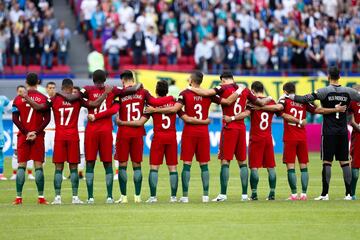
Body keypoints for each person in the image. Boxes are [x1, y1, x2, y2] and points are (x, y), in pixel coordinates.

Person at [188, 71, 271, 202]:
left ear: (223, 80)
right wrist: (269, 98)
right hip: (242, 128)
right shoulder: (246, 90)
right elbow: (261, 103)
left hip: (229, 128)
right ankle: (244, 195)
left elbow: (207, 93)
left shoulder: (223, 88)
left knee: (225, 161)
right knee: (242, 162)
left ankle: (222, 194)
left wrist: (190, 88)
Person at [91, 70, 171, 203]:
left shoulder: (119, 93)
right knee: (137, 165)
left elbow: (114, 109)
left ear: (122, 80)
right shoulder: (143, 92)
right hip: (138, 132)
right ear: (132, 79)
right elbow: (155, 103)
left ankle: (123, 197)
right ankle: (138, 197)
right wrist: (171, 101)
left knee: (122, 165)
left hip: (123, 132)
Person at [146, 72, 226, 203]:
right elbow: (225, 102)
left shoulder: (184, 93)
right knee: (204, 165)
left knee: (187, 165)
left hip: (189, 132)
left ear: (191, 81)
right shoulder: (209, 94)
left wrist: (155, 110)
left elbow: (175, 110)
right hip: (203, 133)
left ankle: (184, 196)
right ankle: (205, 196)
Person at [288, 67, 360, 200]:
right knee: (344, 162)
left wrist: (290, 96)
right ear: (339, 76)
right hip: (343, 132)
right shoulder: (350, 92)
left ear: (328, 77)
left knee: (327, 162)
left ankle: (324, 194)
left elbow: (305, 99)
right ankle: (349, 194)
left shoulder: (323, 91)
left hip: (329, 131)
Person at [79, 69, 142, 204]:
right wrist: (138, 85)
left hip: (91, 130)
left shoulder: (87, 89)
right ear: (106, 78)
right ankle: (109, 196)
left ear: (93, 79)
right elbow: (132, 90)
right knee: (108, 163)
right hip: (106, 131)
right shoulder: (113, 89)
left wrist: (89, 107)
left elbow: (79, 98)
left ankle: (90, 197)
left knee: (90, 163)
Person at [117, 81, 179, 203]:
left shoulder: (150, 106)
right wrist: (172, 98)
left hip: (158, 138)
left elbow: (140, 123)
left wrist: (122, 123)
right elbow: (178, 112)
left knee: (154, 168)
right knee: (173, 168)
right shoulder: (174, 102)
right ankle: (173, 197)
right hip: (172, 137)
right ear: (167, 91)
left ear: (156, 91)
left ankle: (153, 197)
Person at [230, 81, 277, 200]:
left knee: (254, 167)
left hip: (256, 138)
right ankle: (272, 193)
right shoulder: (271, 102)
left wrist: (232, 117)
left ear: (253, 91)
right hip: (268, 137)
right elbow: (279, 109)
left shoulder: (252, 102)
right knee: (271, 167)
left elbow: (244, 112)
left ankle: (254, 194)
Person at [12, 73, 51, 205]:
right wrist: (36, 132)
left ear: (26, 82)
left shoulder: (18, 98)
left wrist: (25, 132)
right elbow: (48, 119)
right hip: (38, 136)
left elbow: (14, 119)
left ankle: (18, 198)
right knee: (38, 166)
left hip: (23, 136)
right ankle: (41, 197)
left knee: (22, 165)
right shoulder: (44, 98)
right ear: (38, 82)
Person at [48, 79, 85, 205]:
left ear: (62, 87)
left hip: (59, 137)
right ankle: (75, 197)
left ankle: (57, 198)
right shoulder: (77, 100)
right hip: (73, 136)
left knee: (58, 168)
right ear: (72, 87)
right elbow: (92, 104)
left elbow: (42, 107)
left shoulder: (54, 99)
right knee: (74, 168)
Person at [10, 86, 35, 181]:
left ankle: (30, 173)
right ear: (17, 92)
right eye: (19, 91)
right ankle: (14, 173)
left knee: (30, 152)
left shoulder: (29, 101)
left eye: (23, 91)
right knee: (16, 152)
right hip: (17, 130)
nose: (21, 93)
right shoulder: (14, 101)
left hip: (28, 130)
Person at [349, 85, 360, 200]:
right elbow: (351, 121)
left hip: (357, 137)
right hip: (357, 138)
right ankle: (352, 193)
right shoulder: (352, 103)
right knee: (355, 170)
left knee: (355, 170)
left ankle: (351, 194)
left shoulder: (352, 102)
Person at [44, 82, 56, 163]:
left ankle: (60, 174)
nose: (52, 90)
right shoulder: (43, 100)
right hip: (45, 130)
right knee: (42, 153)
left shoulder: (58, 100)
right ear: (46, 89)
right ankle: (40, 174)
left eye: (53, 88)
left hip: (56, 130)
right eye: (50, 88)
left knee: (58, 153)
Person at [0, 93, 9, 180]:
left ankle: (0, 174)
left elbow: (9, 105)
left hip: (0, 132)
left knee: (0, 153)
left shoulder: (2, 99)